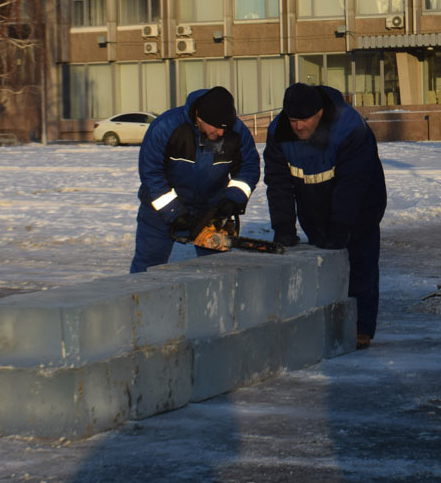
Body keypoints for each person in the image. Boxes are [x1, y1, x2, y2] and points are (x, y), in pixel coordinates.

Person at [263, 83, 387, 350]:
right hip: (314, 206)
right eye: (293, 120)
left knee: (360, 264)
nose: (298, 127)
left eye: (304, 120)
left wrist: (342, 227)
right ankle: (326, 325)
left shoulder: (350, 128)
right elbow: (278, 183)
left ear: (319, 112)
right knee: (324, 263)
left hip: (361, 205)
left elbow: (352, 184)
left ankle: (361, 328)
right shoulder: (278, 133)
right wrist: (284, 228)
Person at [130, 86, 260, 273]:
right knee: (148, 267)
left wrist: (233, 199)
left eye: (225, 127)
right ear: (199, 118)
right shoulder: (165, 127)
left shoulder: (236, 131)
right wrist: (174, 212)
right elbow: (152, 175)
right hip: (159, 212)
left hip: (212, 210)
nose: (222, 133)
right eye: (216, 127)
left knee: (218, 271)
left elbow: (249, 168)